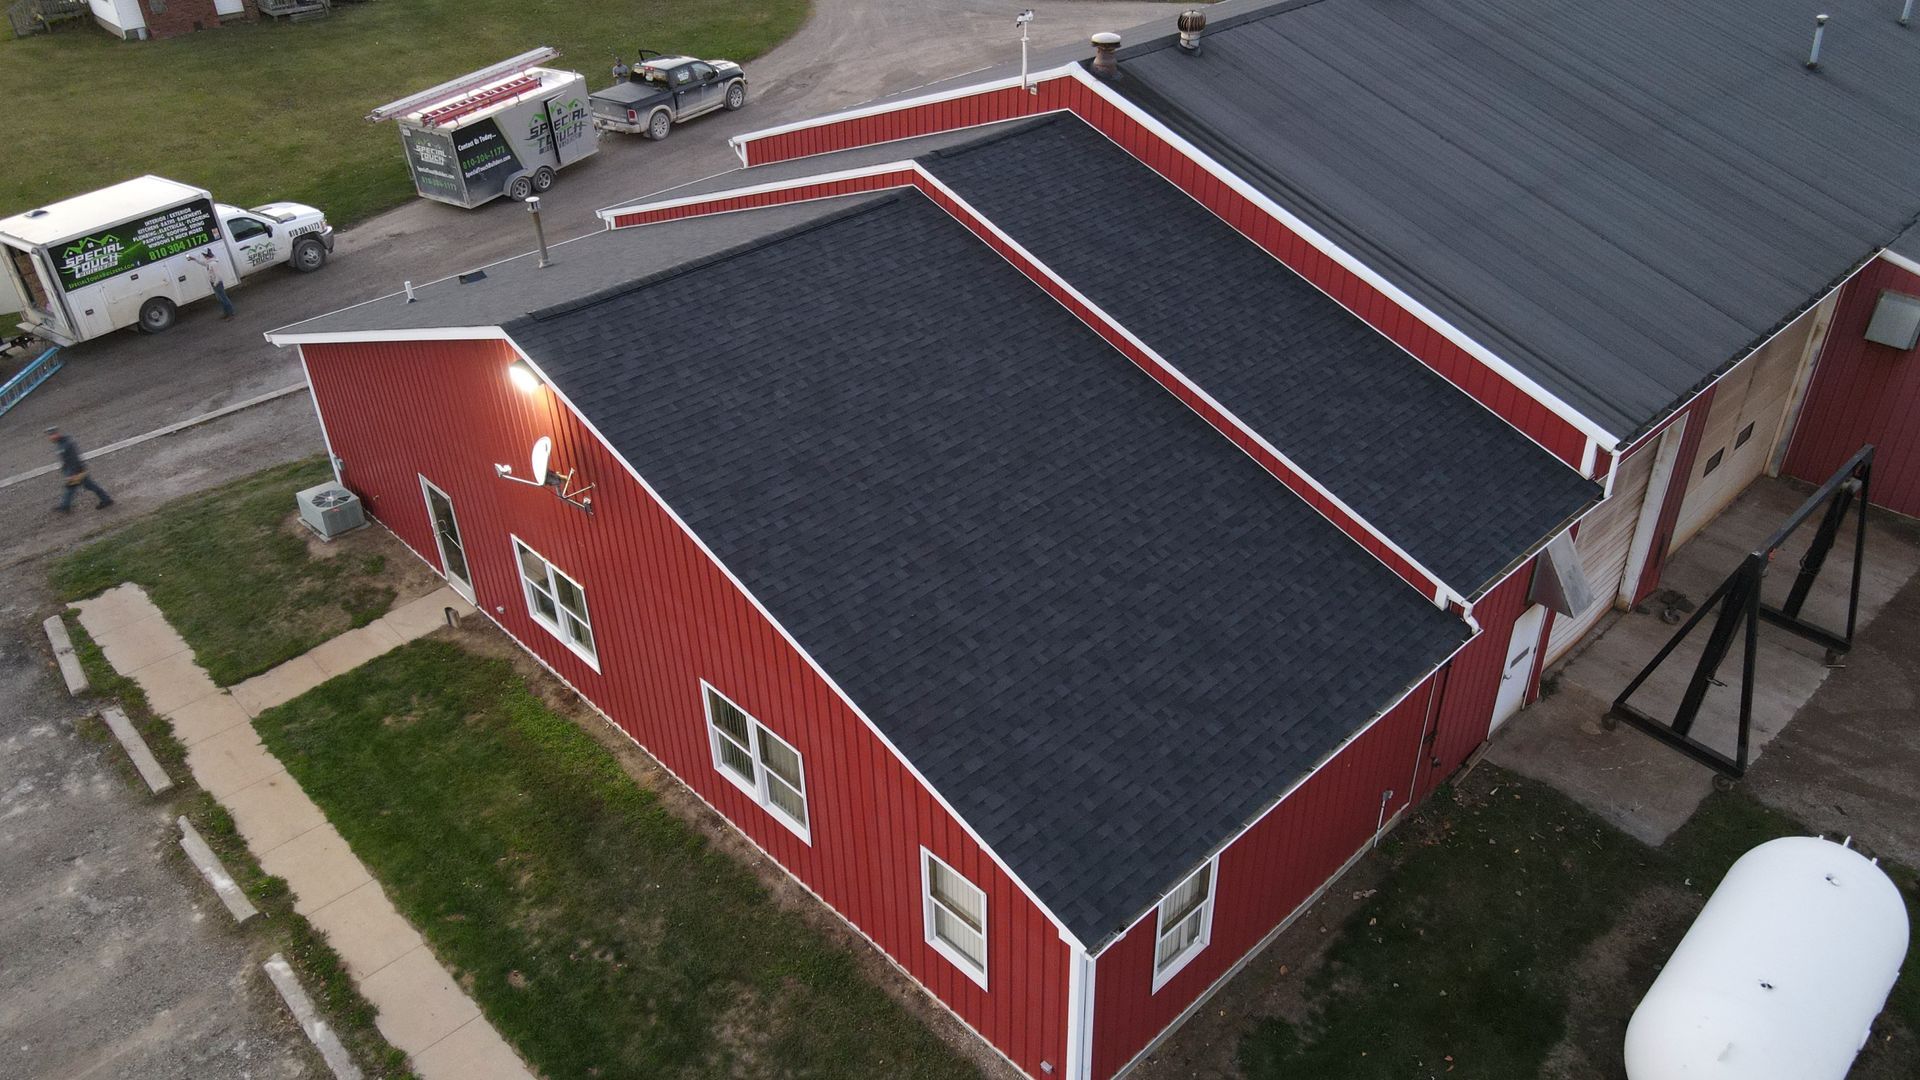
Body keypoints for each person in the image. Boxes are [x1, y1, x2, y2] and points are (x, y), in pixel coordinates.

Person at [47, 427, 112, 513]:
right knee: (82, 487)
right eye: (50, 435)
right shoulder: (60, 444)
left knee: (74, 488)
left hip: (76, 471)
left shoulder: (67, 444)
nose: (51, 437)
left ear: (57, 434)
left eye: (52, 434)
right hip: (75, 471)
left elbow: (74, 459)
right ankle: (106, 499)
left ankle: (65, 506)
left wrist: (73, 473)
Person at [191, 250, 235, 320]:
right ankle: (226, 313)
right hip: (214, 283)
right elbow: (202, 263)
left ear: (206, 255)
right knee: (220, 299)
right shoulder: (209, 262)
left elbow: (219, 276)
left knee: (224, 298)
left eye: (204, 255)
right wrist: (195, 259)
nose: (203, 257)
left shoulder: (213, 263)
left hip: (217, 283)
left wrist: (215, 284)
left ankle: (231, 314)